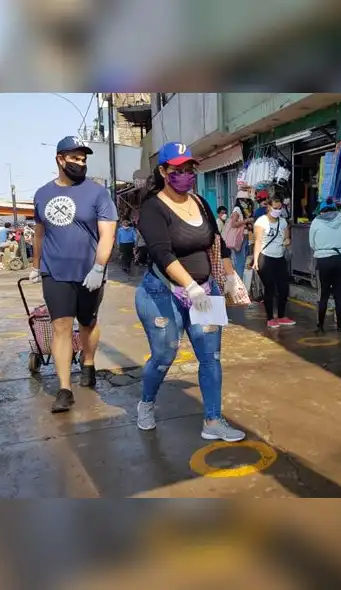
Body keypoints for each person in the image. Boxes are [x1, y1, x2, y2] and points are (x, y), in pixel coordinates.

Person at [135, 141, 245, 442]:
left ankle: (213, 421)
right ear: (163, 171)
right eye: (178, 170)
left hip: (204, 293)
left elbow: (216, 241)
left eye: (189, 169)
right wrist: (190, 285)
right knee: (164, 354)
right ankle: (146, 403)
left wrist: (232, 277)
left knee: (211, 356)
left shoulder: (199, 202)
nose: (186, 175)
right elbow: (162, 254)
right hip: (162, 293)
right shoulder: (152, 208)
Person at [29, 136, 118, 413]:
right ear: (60, 159)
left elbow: (108, 233)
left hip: (89, 271)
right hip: (54, 271)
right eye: (75, 158)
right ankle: (65, 388)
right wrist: (35, 265)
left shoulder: (97, 193)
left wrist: (99, 267)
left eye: (84, 159)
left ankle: (88, 362)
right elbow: (40, 233)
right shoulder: (42, 194)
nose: (80, 164)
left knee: (88, 322)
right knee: (60, 327)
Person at [309, 197, 341, 334]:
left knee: (324, 295)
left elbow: (312, 243)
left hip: (324, 261)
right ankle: (340, 327)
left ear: (321, 210)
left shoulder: (316, 221)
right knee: (339, 294)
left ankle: (320, 326)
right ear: (335, 208)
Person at [253, 196, 295, 329]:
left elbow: (287, 237)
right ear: (269, 207)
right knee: (270, 288)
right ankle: (270, 318)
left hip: (280, 258)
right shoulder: (261, 222)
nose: (277, 211)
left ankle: (282, 316)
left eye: (279, 208)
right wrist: (255, 261)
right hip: (265, 258)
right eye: (275, 208)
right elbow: (258, 242)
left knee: (284, 288)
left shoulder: (283, 222)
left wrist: (287, 241)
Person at [222, 201, 247, 275]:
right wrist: (246, 221)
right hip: (239, 239)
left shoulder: (244, 209)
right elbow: (233, 224)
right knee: (240, 263)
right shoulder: (237, 209)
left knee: (241, 262)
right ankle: (239, 282)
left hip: (243, 237)